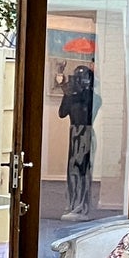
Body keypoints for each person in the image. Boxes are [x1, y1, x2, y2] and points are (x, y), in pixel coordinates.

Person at [58, 62, 99, 220]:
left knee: (83, 171)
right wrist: (67, 93)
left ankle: (81, 206)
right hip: (75, 133)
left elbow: (87, 106)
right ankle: (72, 204)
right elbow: (62, 113)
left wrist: (68, 92)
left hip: (85, 133)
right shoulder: (73, 97)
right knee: (73, 170)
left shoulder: (92, 97)